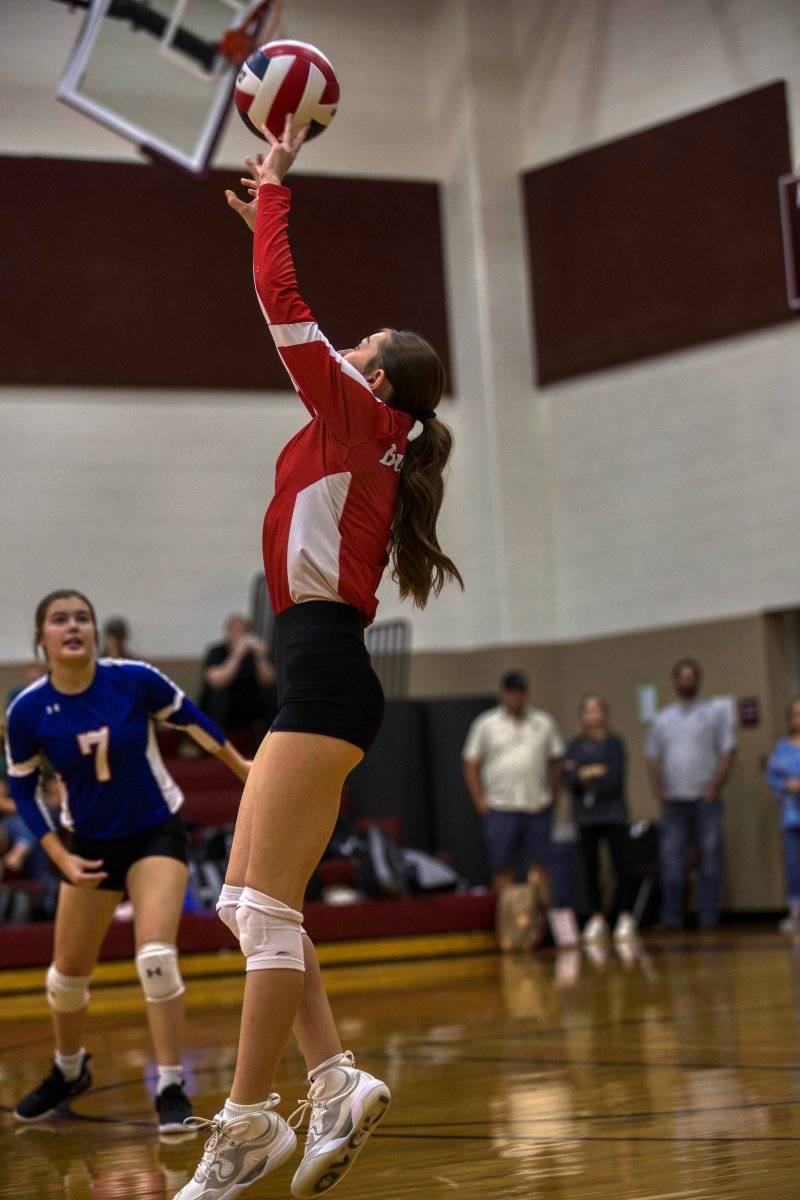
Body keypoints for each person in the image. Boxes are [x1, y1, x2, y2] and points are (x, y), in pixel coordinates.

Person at [173, 115, 462, 1200]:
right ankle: (333, 1081)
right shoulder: (361, 425)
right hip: (318, 673)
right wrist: (261, 220)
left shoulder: (357, 420)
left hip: (328, 676)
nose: (343, 351)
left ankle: (247, 1125)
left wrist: (278, 190)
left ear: (376, 381)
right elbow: (291, 310)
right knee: (250, 904)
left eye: (360, 348)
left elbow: (282, 301)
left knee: (263, 913)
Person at [5, 589, 251, 1131]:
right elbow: (22, 788)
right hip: (88, 846)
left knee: (156, 957)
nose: (73, 626)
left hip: (154, 833)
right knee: (64, 979)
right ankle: (69, 1070)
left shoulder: (133, 679)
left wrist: (243, 769)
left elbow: (192, 720)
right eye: (60, 619)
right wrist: (59, 857)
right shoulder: (27, 709)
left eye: (82, 618)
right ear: (42, 638)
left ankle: (171, 1084)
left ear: (95, 631)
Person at [645, 657, 737, 930]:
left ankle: (708, 917)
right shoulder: (662, 719)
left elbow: (728, 751)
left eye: (691, 677)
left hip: (705, 802)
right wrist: (659, 790)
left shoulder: (713, 714)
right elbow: (653, 757)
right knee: (672, 863)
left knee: (710, 860)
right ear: (675, 681)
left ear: (698, 680)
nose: (687, 682)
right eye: (682, 677)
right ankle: (671, 918)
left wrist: (715, 787)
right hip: (674, 804)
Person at [462, 670, 564, 896]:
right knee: (501, 866)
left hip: (537, 806)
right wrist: (480, 800)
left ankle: (540, 916)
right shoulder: (486, 724)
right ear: (503, 694)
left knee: (540, 864)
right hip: (500, 807)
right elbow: (470, 762)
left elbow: (557, 759)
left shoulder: (543, 722)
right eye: (510, 692)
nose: (515, 697)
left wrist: (552, 793)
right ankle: (506, 915)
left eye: (519, 692)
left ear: (526, 694)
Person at [562, 693, 637, 943]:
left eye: (596, 709)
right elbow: (570, 779)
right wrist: (592, 772)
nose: (592, 714)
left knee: (620, 865)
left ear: (604, 714)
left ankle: (623, 914)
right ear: (582, 716)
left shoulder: (614, 743)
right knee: (589, 868)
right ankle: (596, 916)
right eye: (588, 709)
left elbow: (613, 780)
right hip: (586, 817)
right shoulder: (575, 746)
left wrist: (585, 774)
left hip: (612, 814)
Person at [199, 613, 276, 744]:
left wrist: (261, 657)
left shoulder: (253, 654)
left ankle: (268, 746)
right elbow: (217, 681)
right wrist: (237, 654)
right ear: (227, 632)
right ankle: (219, 746)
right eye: (235, 630)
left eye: (243, 630)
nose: (239, 635)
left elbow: (268, 681)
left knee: (271, 695)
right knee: (218, 696)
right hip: (224, 707)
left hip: (248, 706)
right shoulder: (216, 651)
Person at [766, 696, 800, 933]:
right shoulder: (782, 748)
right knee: (794, 865)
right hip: (791, 815)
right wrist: (786, 785)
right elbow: (773, 776)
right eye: (796, 714)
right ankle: (796, 910)